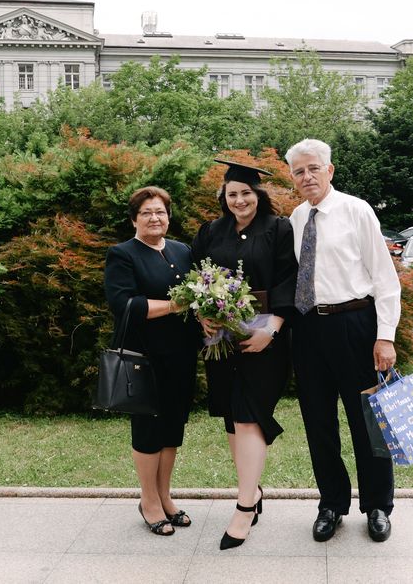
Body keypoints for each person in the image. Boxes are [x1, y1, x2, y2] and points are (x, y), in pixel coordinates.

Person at [285, 139, 401, 543]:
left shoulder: (356, 210)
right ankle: (331, 504)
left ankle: (378, 506)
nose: (307, 177)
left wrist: (385, 337)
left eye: (313, 168)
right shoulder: (297, 217)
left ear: (330, 170)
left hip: (354, 324)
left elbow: (385, 278)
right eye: (299, 172)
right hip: (309, 329)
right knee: (318, 422)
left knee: (368, 421)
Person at [190, 160, 297, 550]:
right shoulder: (211, 231)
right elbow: (194, 276)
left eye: (246, 193)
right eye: (232, 194)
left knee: (249, 414)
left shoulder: (279, 229)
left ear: (258, 194)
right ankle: (253, 490)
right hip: (220, 337)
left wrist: (273, 329)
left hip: (264, 336)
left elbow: (290, 279)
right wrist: (200, 314)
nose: (239, 200)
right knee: (232, 417)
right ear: (224, 197)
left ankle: (244, 506)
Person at [104, 186, 202, 537]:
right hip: (144, 358)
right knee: (148, 429)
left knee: (173, 426)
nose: (154, 218)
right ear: (134, 219)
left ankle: (165, 496)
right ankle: (148, 501)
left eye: (160, 211)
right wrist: (177, 304)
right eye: (146, 212)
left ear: (168, 217)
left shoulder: (181, 250)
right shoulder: (122, 254)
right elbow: (125, 305)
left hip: (181, 355)